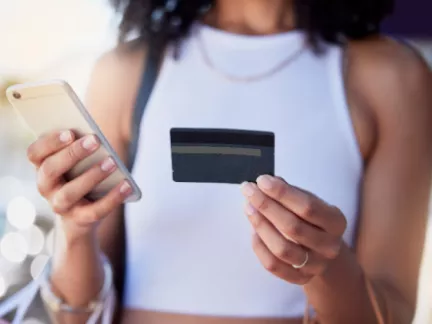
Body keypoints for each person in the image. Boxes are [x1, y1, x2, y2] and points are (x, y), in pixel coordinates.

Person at [26, 0, 432, 323]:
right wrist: (76, 232)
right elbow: (75, 317)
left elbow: (394, 313)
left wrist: (327, 269)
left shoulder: (391, 77)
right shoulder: (125, 72)